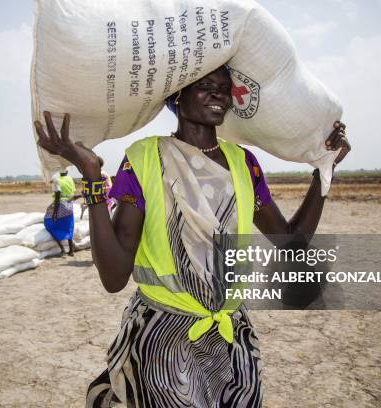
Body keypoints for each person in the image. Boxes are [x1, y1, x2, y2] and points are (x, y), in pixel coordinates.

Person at [34, 65, 350, 407]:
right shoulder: (144, 159)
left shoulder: (245, 164)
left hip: (231, 343)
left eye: (223, 87)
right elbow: (113, 277)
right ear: (177, 95)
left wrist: (324, 172)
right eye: (204, 85)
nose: (218, 93)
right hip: (165, 344)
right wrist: (92, 177)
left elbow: (290, 239)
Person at [44, 171, 76, 256]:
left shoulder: (56, 180)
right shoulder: (70, 179)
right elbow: (73, 193)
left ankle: (62, 249)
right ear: (67, 171)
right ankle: (71, 250)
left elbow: (57, 196)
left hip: (60, 205)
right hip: (69, 205)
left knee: (49, 223)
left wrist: (54, 213)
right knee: (68, 226)